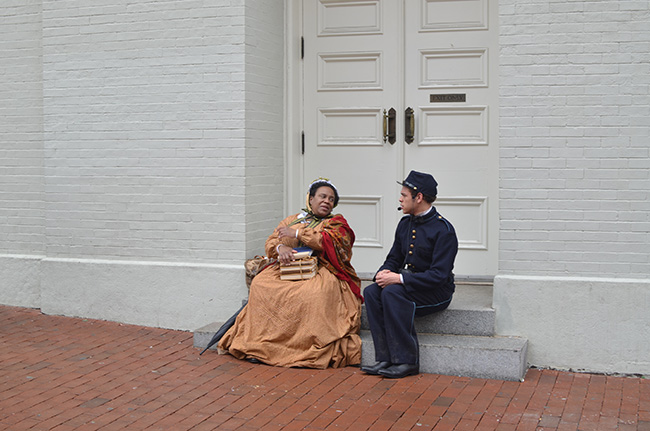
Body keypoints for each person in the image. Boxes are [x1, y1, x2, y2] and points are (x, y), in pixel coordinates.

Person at [218, 178, 363, 369]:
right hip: (288, 267)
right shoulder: (293, 220)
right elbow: (271, 240)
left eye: (331, 199)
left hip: (322, 268)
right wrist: (280, 248)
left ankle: (301, 347)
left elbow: (332, 244)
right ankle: (259, 346)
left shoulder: (336, 224)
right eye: (322, 196)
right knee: (262, 283)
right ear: (310, 199)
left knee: (313, 293)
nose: (327, 201)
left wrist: (297, 235)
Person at [361, 171, 458, 378]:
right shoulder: (405, 223)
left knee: (392, 293)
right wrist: (383, 274)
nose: (400, 199)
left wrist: (399, 279)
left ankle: (407, 361)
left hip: (435, 292)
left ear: (419, 197)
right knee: (371, 292)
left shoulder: (444, 230)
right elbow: (394, 258)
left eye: (404, 195)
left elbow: (438, 276)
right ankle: (385, 358)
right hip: (409, 286)